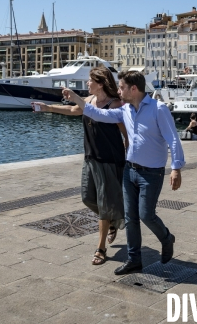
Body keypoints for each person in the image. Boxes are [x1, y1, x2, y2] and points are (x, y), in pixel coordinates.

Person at [62, 70, 185, 275]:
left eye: (121, 87)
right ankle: (134, 259)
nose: (118, 90)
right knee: (130, 218)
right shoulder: (125, 109)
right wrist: (75, 98)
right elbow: (98, 114)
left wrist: (176, 168)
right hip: (130, 171)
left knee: (146, 215)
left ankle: (166, 238)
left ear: (133, 89)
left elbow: (173, 139)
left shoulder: (158, 109)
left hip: (151, 173)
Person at [32, 66, 128, 265]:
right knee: (86, 198)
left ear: (100, 83)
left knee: (103, 205)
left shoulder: (115, 104)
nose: (87, 83)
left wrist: (128, 159)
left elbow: (126, 134)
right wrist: (48, 108)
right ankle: (111, 221)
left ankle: (101, 248)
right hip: (90, 158)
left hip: (109, 161)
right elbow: (74, 109)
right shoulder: (90, 101)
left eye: (90, 80)